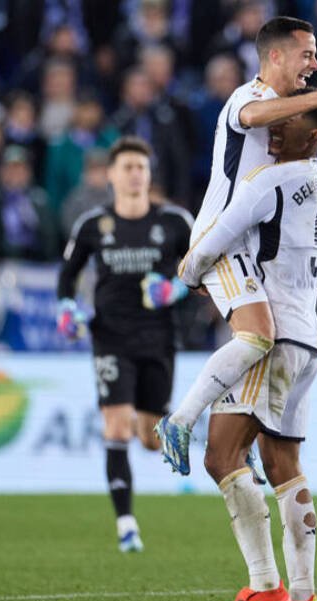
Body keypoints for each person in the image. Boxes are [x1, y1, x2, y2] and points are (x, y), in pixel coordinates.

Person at [153, 16, 317, 474]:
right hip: (219, 237)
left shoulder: (292, 106)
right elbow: (251, 118)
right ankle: (180, 421)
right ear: (275, 56)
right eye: (306, 55)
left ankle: (240, 434)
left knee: (271, 336)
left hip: (248, 245)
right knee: (260, 334)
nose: (313, 65)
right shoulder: (249, 96)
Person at [178, 99, 317, 601]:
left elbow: (212, 240)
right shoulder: (314, 184)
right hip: (308, 339)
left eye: (286, 124)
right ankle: (304, 596)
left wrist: (191, 273)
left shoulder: (270, 182)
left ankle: (265, 588)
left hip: (274, 339)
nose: (274, 127)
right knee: (282, 465)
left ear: (312, 138)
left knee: (221, 457)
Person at [55, 136, 193, 553]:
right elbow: (68, 275)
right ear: (111, 176)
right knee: (115, 425)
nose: (135, 174)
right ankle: (126, 524)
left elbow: (200, 270)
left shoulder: (175, 222)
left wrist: (175, 291)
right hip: (110, 338)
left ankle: (149, 424)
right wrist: (66, 308)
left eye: (141, 167)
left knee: (151, 440)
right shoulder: (93, 226)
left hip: (158, 339)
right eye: (127, 167)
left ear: (148, 176)